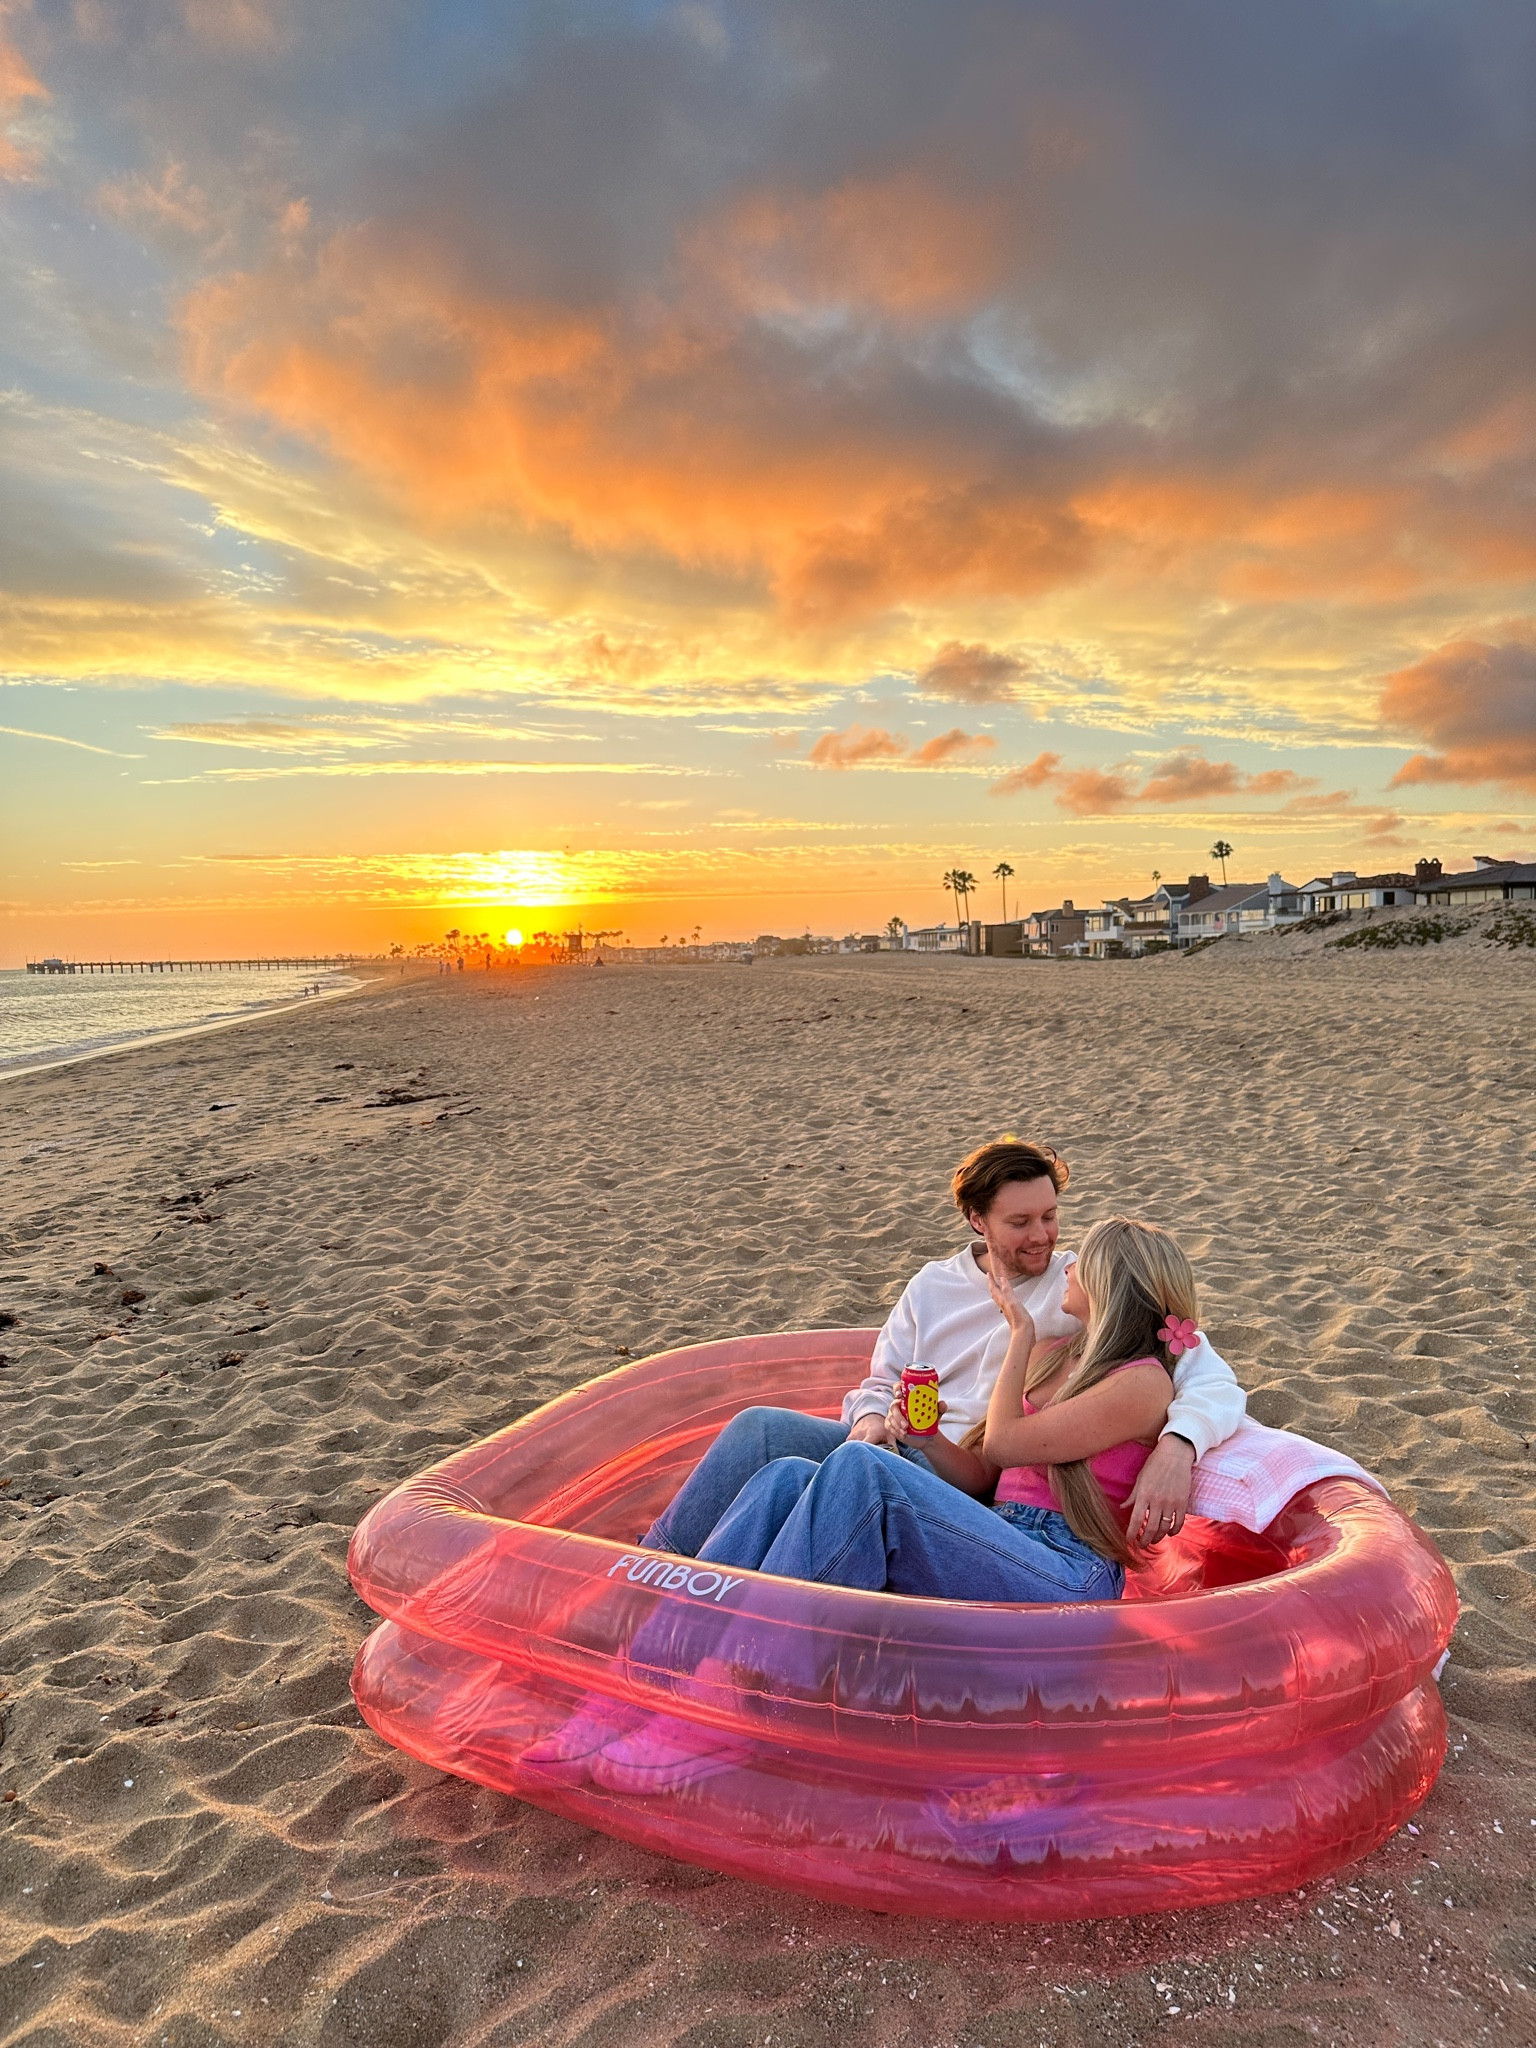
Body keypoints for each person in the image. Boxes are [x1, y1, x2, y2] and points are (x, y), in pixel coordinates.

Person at [538, 1215, 1197, 1792]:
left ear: (1111, 1283)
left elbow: (1009, 1438)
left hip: (1064, 1577)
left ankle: (740, 1703)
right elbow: (986, 1470)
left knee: (863, 1468)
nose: (1067, 1261)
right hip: (1000, 1533)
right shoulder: (1063, 1358)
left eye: (1085, 1257)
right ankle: (632, 1688)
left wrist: (1019, 1337)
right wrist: (930, 1437)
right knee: (786, 1477)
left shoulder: (1139, 1383)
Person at [641, 1138, 1243, 1559]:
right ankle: (655, 1567)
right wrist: (870, 1422)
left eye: (1051, 1217)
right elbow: (879, 1379)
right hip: (904, 1443)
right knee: (759, 1432)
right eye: (1020, 1222)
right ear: (978, 1221)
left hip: (975, 1473)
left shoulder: (1078, 1287)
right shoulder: (933, 1286)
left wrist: (1178, 1444)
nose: (1042, 1237)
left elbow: (1194, 1362)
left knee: (849, 1473)